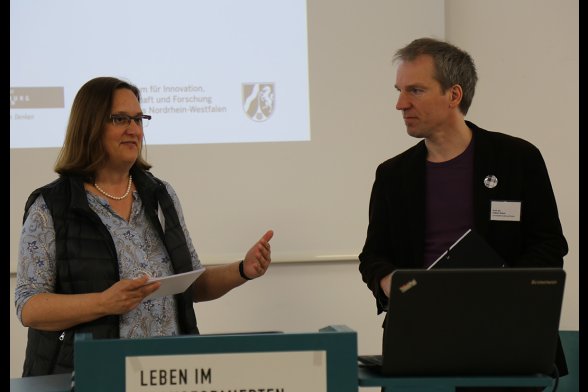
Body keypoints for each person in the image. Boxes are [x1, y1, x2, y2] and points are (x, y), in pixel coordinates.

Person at [15, 76, 274, 377]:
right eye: (120, 119)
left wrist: (242, 269)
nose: (134, 130)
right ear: (89, 125)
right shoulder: (51, 206)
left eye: (139, 119)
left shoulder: (160, 196)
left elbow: (190, 284)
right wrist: (103, 303)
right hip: (88, 375)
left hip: (167, 374)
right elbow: (29, 306)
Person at [358, 38, 568, 390]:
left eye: (415, 90)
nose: (400, 103)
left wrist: (497, 294)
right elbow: (374, 256)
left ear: (454, 95)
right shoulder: (393, 175)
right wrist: (390, 282)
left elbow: (549, 246)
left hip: (505, 340)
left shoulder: (517, 159)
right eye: (399, 90)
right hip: (419, 341)